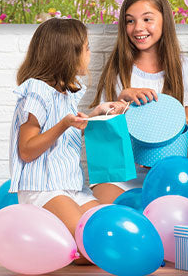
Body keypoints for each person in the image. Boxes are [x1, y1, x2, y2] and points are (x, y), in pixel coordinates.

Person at [9, 17, 127, 260]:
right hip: (44, 188)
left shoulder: (65, 93)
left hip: (72, 187)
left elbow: (64, 137)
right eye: (87, 48)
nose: (90, 54)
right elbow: (27, 151)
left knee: (110, 236)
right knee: (88, 249)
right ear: (68, 54)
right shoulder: (37, 92)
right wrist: (64, 124)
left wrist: (94, 115)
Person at [91, 0, 188, 202]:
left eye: (147, 19)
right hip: (120, 174)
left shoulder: (185, 69)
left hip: (168, 172)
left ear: (164, 21)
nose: (138, 28)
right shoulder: (118, 70)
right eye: (130, 21)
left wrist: (162, 163)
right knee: (108, 211)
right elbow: (104, 138)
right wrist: (120, 104)